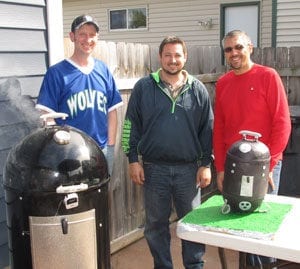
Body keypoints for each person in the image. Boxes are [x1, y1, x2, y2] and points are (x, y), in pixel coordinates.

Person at [122, 36, 214, 269]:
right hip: (154, 170)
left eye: (177, 55)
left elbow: (208, 129)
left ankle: (194, 265)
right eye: (168, 55)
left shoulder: (198, 89)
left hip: (189, 171)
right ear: (160, 57)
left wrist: (206, 164)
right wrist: (133, 159)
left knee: (191, 224)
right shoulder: (144, 87)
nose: (173, 60)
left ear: (185, 57)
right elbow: (131, 125)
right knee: (155, 225)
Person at [213, 30, 291, 268]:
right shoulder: (223, 83)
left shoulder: (268, 76)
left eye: (238, 47)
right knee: (240, 225)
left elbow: (282, 123)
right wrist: (220, 168)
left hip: (264, 166)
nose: (234, 53)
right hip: (233, 165)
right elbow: (219, 128)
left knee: (261, 226)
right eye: (228, 49)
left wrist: (271, 165)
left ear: (250, 47)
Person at [36, 15, 123, 175]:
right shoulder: (57, 73)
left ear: (97, 38)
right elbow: (48, 116)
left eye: (92, 35)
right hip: (69, 154)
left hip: (100, 151)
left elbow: (112, 112)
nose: (87, 39)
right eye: (82, 33)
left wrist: (110, 148)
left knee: (99, 197)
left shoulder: (103, 70)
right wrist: (63, 149)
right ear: (72, 37)